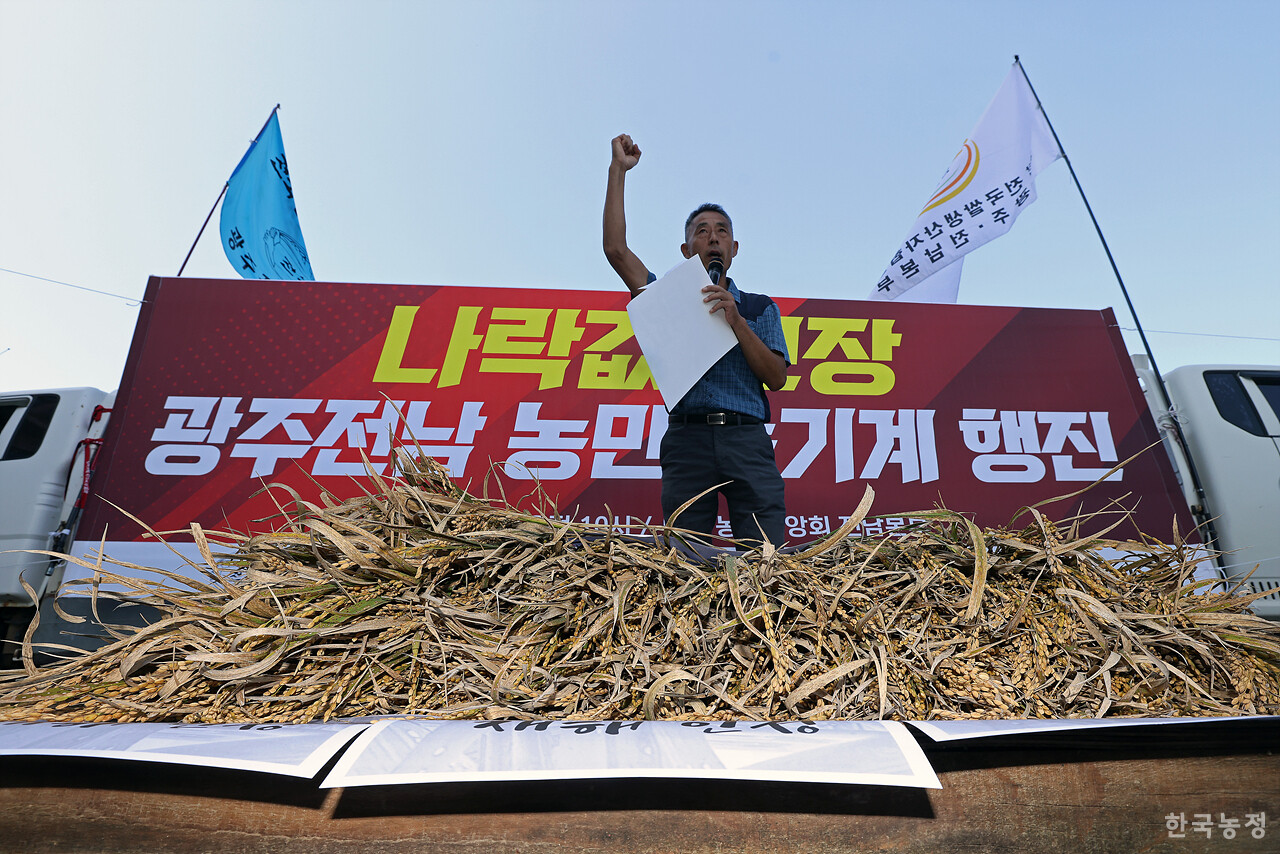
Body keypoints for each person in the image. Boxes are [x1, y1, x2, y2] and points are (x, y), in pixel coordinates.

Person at [602, 133, 789, 546]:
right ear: (687, 249)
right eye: (702, 232)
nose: (713, 238)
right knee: (685, 558)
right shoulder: (666, 297)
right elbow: (617, 251)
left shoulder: (759, 308)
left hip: (746, 437)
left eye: (722, 231)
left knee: (765, 556)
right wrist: (618, 171)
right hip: (688, 439)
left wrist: (736, 321)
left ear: (735, 247)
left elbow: (776, 377)